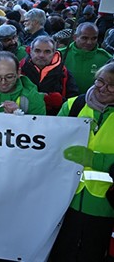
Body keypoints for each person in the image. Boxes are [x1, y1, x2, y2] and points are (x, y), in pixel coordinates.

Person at [51, 62, 114, 261]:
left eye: (112, 85)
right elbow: (50, 141)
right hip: (65, 200)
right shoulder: (73, 105)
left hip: (105, 205)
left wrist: (95, 160)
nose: (103, 88)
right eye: (100, 81)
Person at [20, 36, 79, 115]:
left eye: (47, 52)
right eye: (37, 51)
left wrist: (60, 100)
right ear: (30, 51)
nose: (41, 55)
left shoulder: (64, 73)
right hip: (23, 118)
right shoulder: (20, 69)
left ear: (54, 53)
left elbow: (74, 102)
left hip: (54, 120)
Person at [60, 22, 112, 94]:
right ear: (75, 37)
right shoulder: (60, 55)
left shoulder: (106, 58)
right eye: (84, 38)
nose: (89, 42)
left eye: (94, 38)